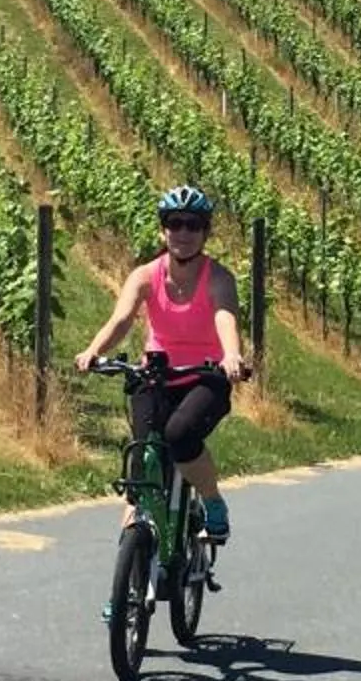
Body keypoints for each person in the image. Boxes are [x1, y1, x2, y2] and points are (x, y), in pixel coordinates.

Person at [74, 185, 255, 562]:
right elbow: (121, 319)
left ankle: (212, 502)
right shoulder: (145, 275)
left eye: (193, 225)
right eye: (175, 224)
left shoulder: (218, 277)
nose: (183, 233)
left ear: (205, 233)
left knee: (179, 434)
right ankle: (127, 580)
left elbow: (224, 315)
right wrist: (94, 350)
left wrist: (232, 355)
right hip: (157, 373)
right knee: (142, 463)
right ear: (163, 230)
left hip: (205, 376)